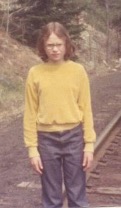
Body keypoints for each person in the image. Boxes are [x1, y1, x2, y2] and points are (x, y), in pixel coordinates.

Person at [24, 22, 96, 208]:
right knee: (51, 198)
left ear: (66, 45)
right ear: (43, 46)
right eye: (50, 45)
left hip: (74, 137)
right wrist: (32, 149)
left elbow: (86, 108)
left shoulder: (78, 71)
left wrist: (89, 145)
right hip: (46, 141)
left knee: (77, 195)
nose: (55, 49)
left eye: (59, 45)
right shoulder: (35, 73)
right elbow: (30, 113)